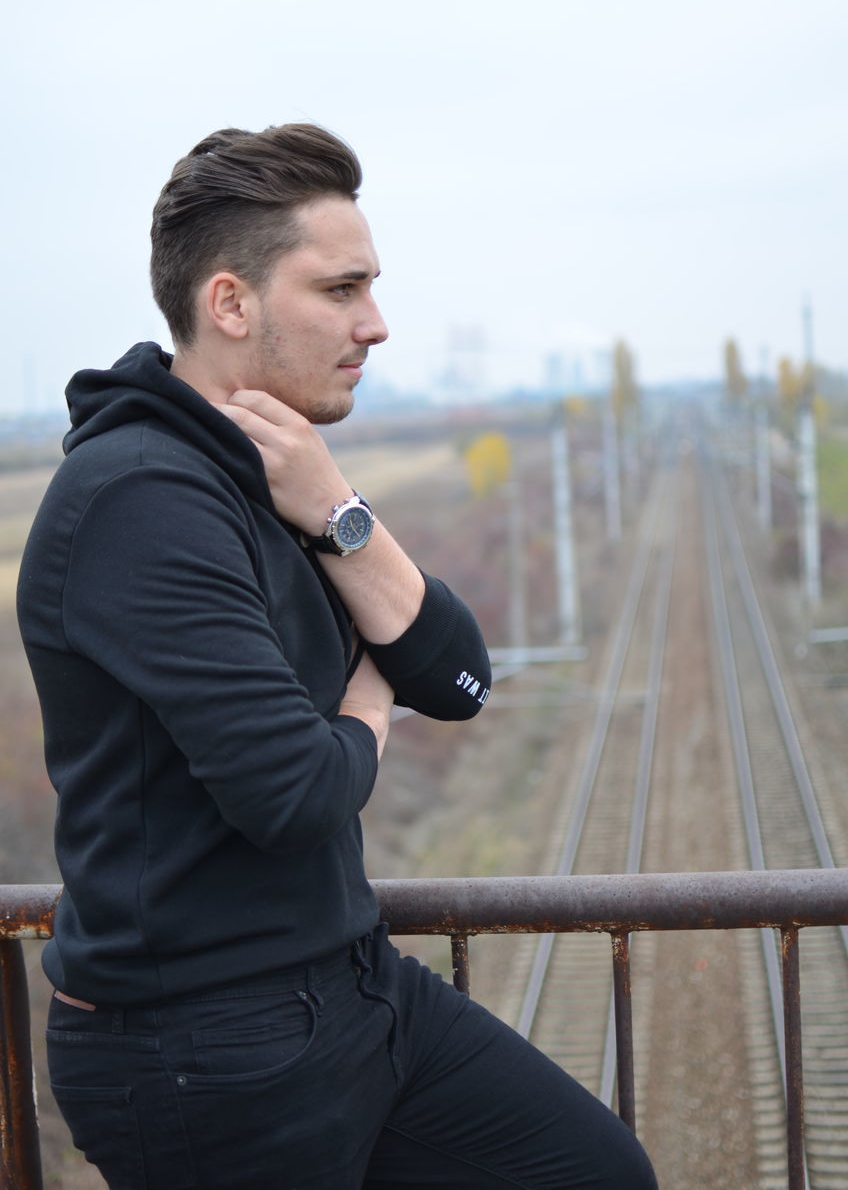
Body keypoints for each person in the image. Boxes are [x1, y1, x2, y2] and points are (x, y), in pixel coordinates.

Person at [17, 123, 657, 1189]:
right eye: (341, 289)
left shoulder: (275, 469)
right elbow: (297, 794)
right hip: (204, 1048)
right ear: (231, 302)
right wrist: (366, 701)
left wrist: (338, 510)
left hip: (349, 986)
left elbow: (457, 679)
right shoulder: (141, 501)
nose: (376, 323)